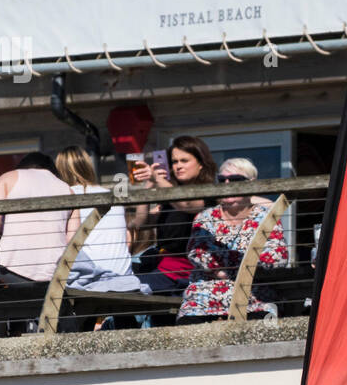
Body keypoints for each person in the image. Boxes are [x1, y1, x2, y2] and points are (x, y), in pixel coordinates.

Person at [178, 157, 289, 321]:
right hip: (205, 298)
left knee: (264, 326)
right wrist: (245, 261)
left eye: (236, 179)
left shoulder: (266, 218)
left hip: (254, 296)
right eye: (222, 180)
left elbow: (277, 257)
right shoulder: (206, 217)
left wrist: (224, 269)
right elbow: (198, 253)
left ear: (251, 183)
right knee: (189, 326)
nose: (228, 184)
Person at [129, 136, 217, 295]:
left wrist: (158, 180)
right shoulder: (170, 196)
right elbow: (141, 223)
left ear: (201, 164)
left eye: (184, 160)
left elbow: (187, 205)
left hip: (186, 271)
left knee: (128, 291)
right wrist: (147, 189)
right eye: (174, 162)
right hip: (164, 268)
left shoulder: (210, 192)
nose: (178, 166)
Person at [0, 152, 73, 283]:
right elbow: (71, 239)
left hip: (9, 272)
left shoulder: (8, 177)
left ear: (22, 166)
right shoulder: (68, 190)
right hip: (52, 279)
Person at [54, 146, 134, 279]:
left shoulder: (65, 197)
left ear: (60, 170)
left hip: (91, 279)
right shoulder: (112, 196)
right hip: (125, 276)